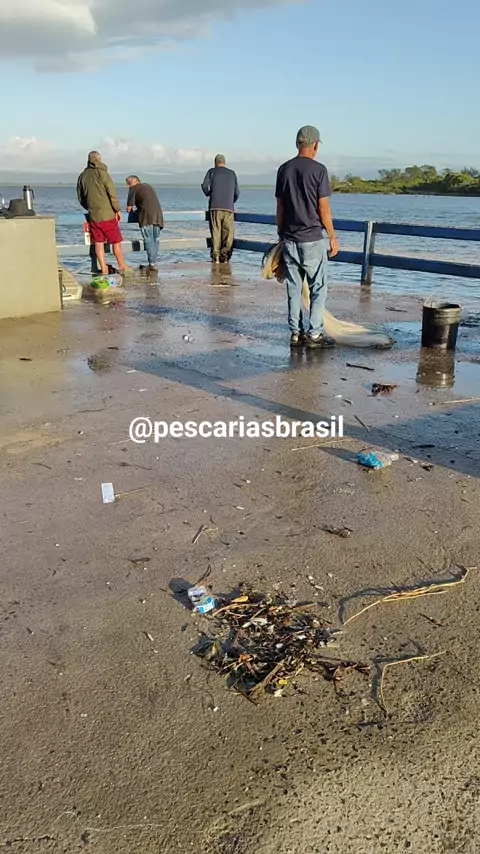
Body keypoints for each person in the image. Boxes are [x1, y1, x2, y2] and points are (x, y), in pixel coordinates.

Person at [275, 126, 339, 349]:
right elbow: (323, 208)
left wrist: (281, 234)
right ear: (315, 145)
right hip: (312, 238)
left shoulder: (283, 169)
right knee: (318, 288)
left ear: (297, 143)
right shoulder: (319, 170)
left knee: (293, 289)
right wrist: (332, 236)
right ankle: (315, 334)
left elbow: (280, 207)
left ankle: (295, 333)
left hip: (289, 239)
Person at [77, 151, 128, 276]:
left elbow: (80, 197)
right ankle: (122, 266)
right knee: (116, 242)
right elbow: (112, 192)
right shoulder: (102, 173)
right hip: (108, 214)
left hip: (94, 215)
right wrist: (117, 209)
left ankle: (104, 269)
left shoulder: (82, 176)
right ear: (99, 159)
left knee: (98, 243)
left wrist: (90, 207)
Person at [201, 155, 240, 263]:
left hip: (215, 207)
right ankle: (226, 256)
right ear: (224, 162)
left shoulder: (211, 172)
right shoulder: (232, 173)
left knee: (216, 232)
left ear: (215, 163)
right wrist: (231, 201)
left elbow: (204, 186)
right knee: (228, 233)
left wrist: (209, 193)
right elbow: (237, 192)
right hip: (228, 208)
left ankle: (216, 258)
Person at [125, 176, 164, 272]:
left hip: (146, 217)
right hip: (158, 215)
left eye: (129, 183)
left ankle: (152, 264)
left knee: (148, 240)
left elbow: (129, 208)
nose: (128, 185)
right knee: (155, 240)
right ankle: (153, 263)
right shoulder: (148, 186)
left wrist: (132, 214)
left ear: (136, 181)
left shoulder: (133, 188)